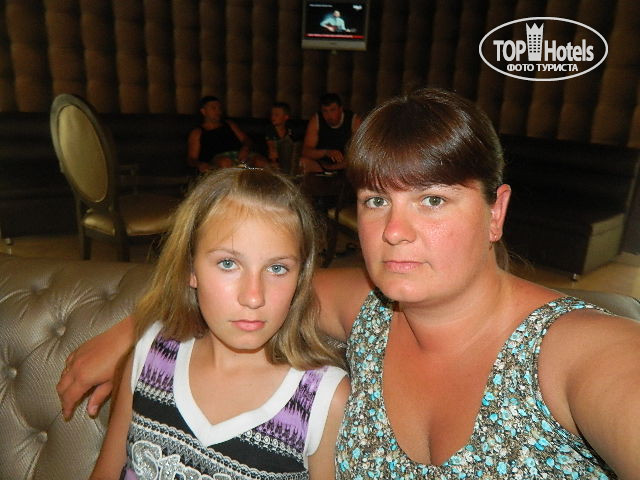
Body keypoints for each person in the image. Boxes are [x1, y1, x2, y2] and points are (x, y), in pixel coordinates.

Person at [59, 88, 640, 478]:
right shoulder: (369, 307)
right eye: (376, 200)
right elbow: (242, 286)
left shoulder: (578, 351)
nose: (395, 232)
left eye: (433, 199)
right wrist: (131, 333)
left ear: (496, 211)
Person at [88, 167, 349, 479]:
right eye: (228, 264)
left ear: (300, 278)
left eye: (277, 268)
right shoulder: (150, 352)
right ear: (190, 268)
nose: (253, 297)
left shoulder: (324, 401)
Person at [187, 96, 266, 173]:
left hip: (239, 157)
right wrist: (200, 164)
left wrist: (245, 148)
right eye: (214, 108)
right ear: (203, 111)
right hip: (217, 161)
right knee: (225, 162)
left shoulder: (229, 124)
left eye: (219, 108)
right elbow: (191, 159)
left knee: (260, 161)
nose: (218, 111)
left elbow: (247, 140)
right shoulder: (198, 132)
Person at [299, 93, 361, 174]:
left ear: (340, 109)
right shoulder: (316, 120)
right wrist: (326, 152)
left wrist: (334, 167)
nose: (329, 115)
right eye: (325, 111)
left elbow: (360, 153)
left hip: (346, 164)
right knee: (303, 162)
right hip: (323, 164)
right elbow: (306, 151)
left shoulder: (354, 121)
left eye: (332, 110)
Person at [265, 101, 296, 174]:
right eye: (272, 114)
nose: (273, 117)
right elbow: (271, 148)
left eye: (276, 115)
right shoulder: (270, 129)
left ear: (286, 117)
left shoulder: (290, 130)